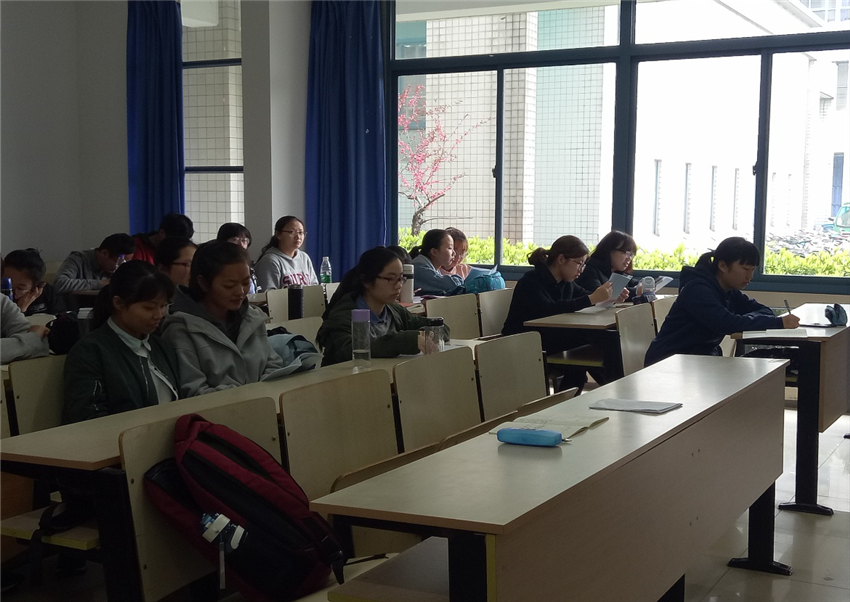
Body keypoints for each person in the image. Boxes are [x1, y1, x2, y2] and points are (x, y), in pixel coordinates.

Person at [645, 237, 800, 366]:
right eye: (745, 269)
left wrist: (746, 320)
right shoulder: (697, 290)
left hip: (698, 359)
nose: (750, 277)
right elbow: (726, 324)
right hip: (670, 362)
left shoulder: (728, 290)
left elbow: (765, 311)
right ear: (723, 266)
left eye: (752, 270)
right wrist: (778, 323)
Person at [161, 241, 285, 397]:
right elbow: (194, 392)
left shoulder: (252, 318)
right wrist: (248, 396)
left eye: (246, 282)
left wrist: (262, 392)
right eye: (229, 285)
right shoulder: (181, 330)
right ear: (203, 283)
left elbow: (273, 363)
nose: (240, 292)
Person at [62, 261, 180, 423]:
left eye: (163, 306)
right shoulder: (90, 351)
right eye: (148, 307)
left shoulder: (162, 347)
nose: (159, 315)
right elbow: (90, 417)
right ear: (118, 303)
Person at [316, 247, 447, 366]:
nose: (399, 285)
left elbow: (440, 328)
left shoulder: (394, 311)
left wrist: (426, 334)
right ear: (367, 281)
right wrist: (405, 341)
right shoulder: (343, 316)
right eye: (391, 279)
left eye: (401, 278)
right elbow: (350, 350)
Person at [53, 233, 136, 294]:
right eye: (118, 262)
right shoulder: (78, 259)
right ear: (104, 253)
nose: (121, 266)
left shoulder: (113, 268)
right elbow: (59, 284)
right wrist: (100, 283)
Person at [254, 216, 318, 290]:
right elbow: (269, 293)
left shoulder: (304, 257)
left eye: (300, 232)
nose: (298, 237)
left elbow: (314, 287)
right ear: (278, 234)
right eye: (291, 232)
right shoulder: (270, 261)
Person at [576, 230, 640, 300]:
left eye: (631, 255)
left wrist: (642, 285)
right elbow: (598, 296)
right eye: (627, 253)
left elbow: (634, 283)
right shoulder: (590, 270)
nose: (629, 259)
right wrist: (637, 291)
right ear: (610, 250)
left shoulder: (617, 272)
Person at [1, 248, 64, 315]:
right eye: (7, 285)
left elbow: (61, 317)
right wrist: (20, 309)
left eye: (20, 288)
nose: (12, 292)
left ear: (35, 287)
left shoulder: (48, 293)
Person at [410, 229, 464, 295]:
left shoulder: (432, 267)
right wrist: (460, 280)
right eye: (450, 248)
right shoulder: (420, 269)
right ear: (434, 252)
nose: (454, 253)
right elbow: (453, 285)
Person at [1, 294, 50, 364]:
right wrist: (33, 339)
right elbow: (35, 342)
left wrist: (32, 340)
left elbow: (41, 344)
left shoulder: (2, 301)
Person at [216, 222, 258, 293]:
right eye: (235, 240)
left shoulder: (249, 265)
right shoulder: (218, 265)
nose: (241, 245)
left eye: (244, 240)